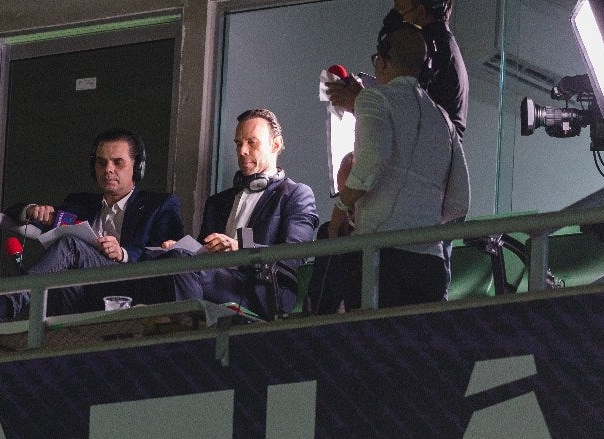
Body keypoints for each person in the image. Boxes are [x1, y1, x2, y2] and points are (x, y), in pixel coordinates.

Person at [0, 128, 184, 325]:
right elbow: (11, 212)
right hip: (84, 293)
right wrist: (32, 210)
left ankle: (1, 307)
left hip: (130, 288)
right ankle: (55, 342)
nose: (108, 169)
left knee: (70, 245)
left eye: (118, 162)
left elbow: (170, 253)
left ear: (137, 167)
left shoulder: (159, 205)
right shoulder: (79, 203)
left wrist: (123, 253)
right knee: (64, 276)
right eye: (101, 162)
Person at [328, 24, 469, 308]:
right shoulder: (443, 119)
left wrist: (341, 211)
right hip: (430, 264)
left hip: (379, 258)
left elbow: (372, 161)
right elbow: (459, 202)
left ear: (381, 61)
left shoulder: (373, 98)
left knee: (372, 335)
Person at [168, 108, 318, 320]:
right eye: (238, 144)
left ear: (275, 145)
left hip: (261, 291)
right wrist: (181, 248)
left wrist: (240, 248)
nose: (242, 151)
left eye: (251, 142)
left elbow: (294, 256)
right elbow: (202, 252)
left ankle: (189, 329)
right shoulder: (218, 202)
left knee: (183, 265)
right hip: (214, 281)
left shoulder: (296, 194)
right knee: (169, 259)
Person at [326, 0, 469, 139]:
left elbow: (410, 125)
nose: (394, 17)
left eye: (399, 8)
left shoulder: (432, 51)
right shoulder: (442, 47)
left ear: (421, 13)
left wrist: (360, 102)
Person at [307, 151, 360, 314]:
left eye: (350, 196)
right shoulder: (329, 232)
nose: (348, 206)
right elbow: (319, 293)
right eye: (341, 196)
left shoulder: (387, 229)